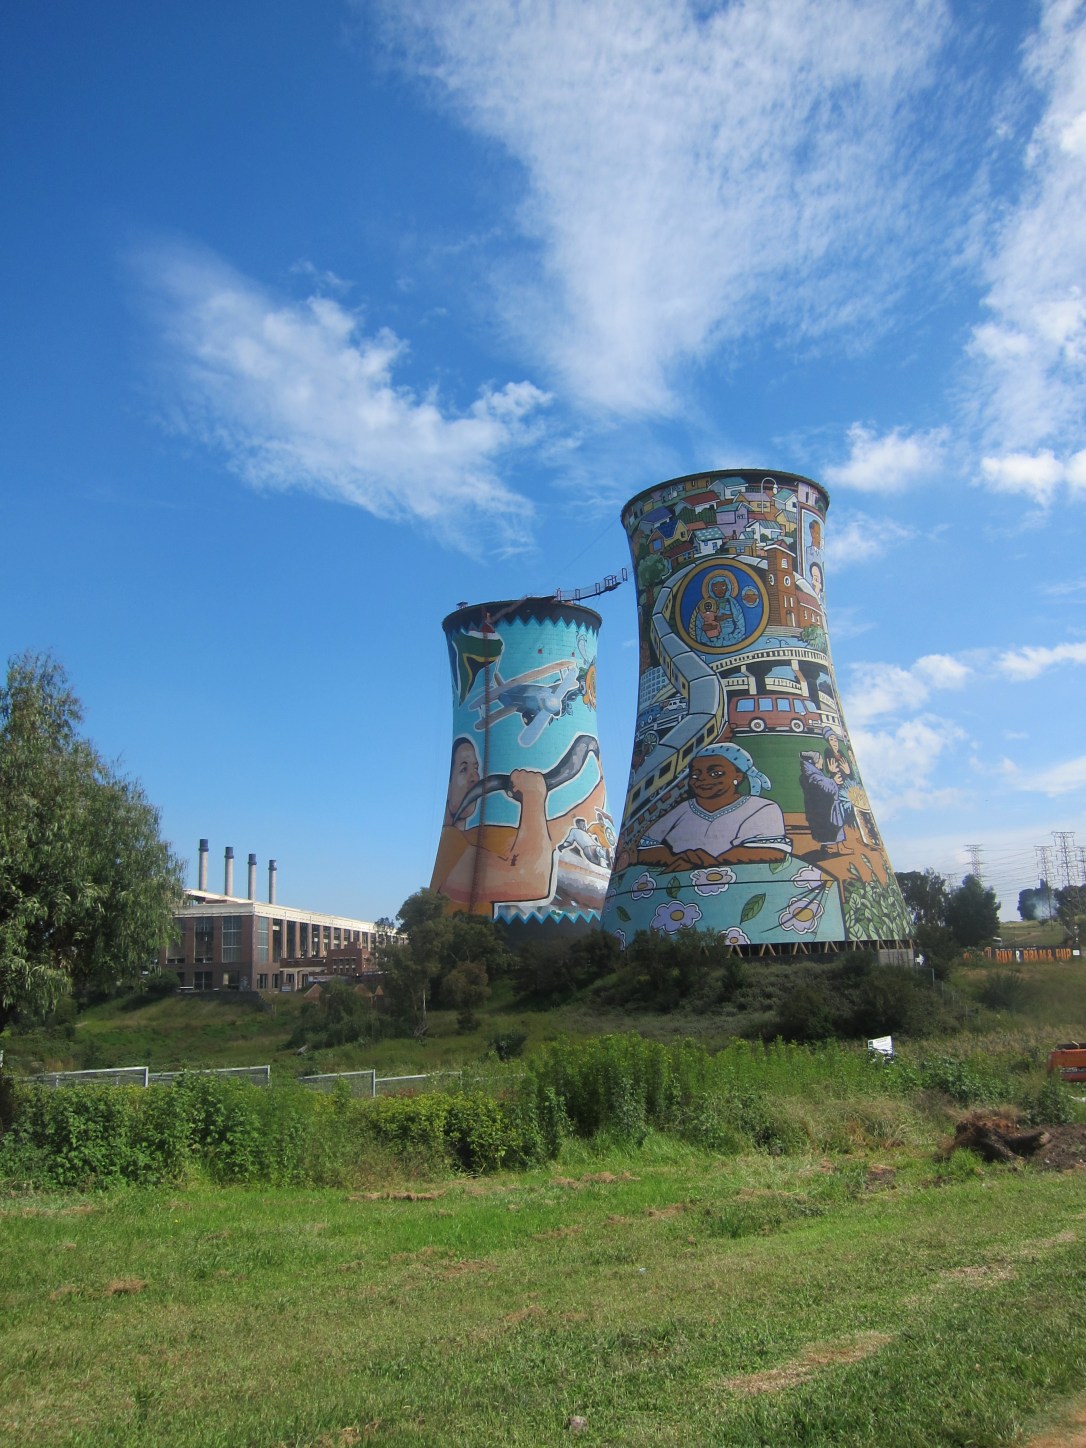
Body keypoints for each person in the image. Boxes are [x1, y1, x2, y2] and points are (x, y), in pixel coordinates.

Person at [430, 736, 607, 916]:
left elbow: (560, 826)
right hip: (478, 940)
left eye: (476, 768)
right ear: (449, 782)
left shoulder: (478, 835)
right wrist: (532, 796)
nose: (474, 777)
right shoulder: (454, 846)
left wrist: (598, 778)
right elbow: (530, 881)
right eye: (463, 769)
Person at [635, 743, 790, 870]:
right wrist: (673, 859)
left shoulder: (762, 808)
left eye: (716, 773)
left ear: (738, 776)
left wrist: (708, 864)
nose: (703, 779)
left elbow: (771, 850)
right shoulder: (684, 809)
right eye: (695, 775)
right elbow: (646, 847)